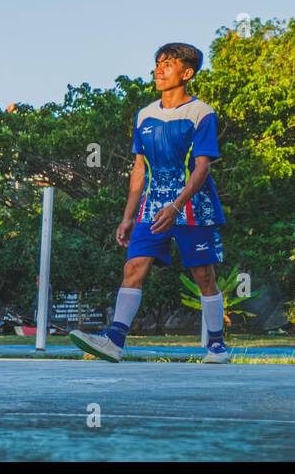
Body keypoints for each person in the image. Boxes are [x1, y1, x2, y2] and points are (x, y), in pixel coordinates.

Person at [68, 43, 230, 364]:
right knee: (133, 267)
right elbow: (139, 169)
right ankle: (114, 341)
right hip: (150, 207)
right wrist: (128, 216)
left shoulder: (201, 113)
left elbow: (202, 167)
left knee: (203, 275)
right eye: (157, 63)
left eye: (167, 64)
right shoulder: (144, 115)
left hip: (194, 207)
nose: (158, 69)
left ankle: (216, 346)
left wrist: (176, 207)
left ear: (186, 73)